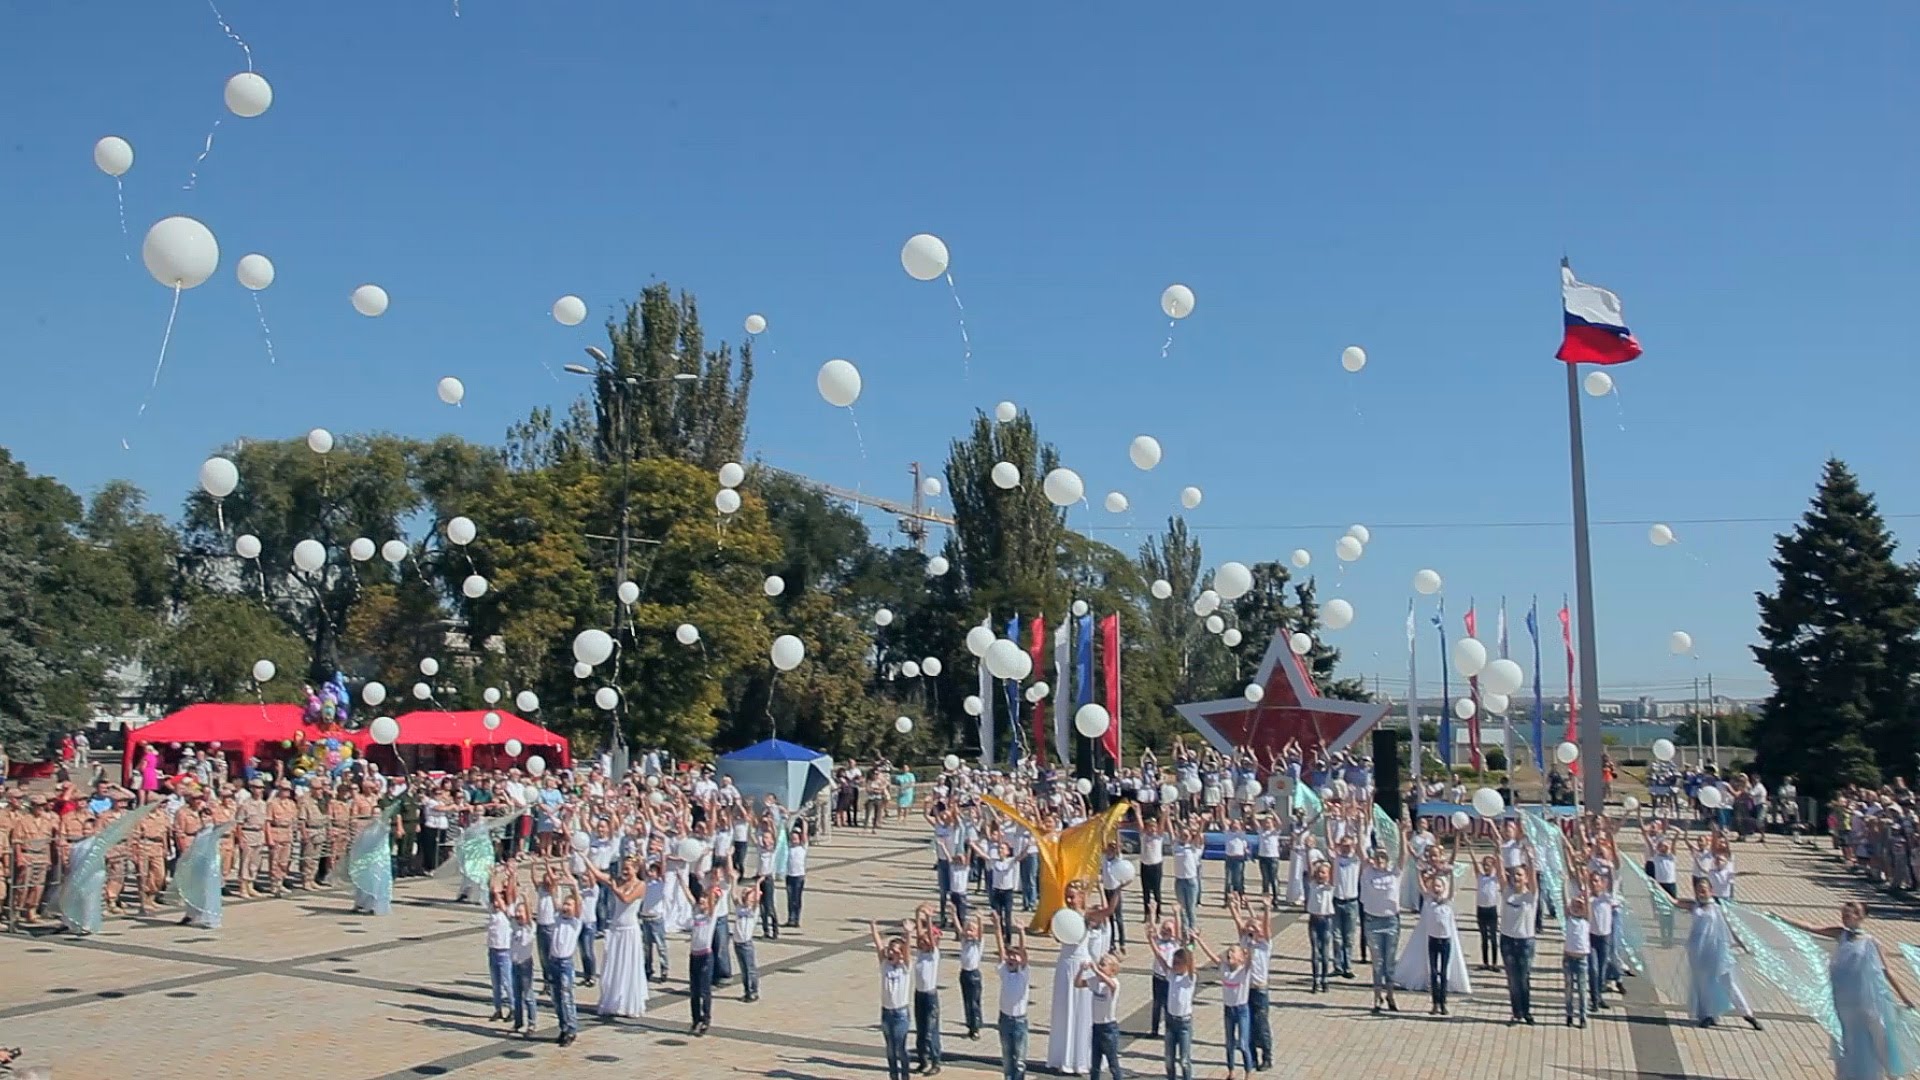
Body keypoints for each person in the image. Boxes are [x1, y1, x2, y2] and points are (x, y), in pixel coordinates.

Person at [1785, 900, 1919, 1080]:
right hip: (1844, 1001)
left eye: (1852, 912)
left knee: (1879, 1037)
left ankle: (1893, 1074)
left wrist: (1904, 997)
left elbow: (1887, 971)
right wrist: (1780, 917)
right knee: (1848, 1040)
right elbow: (1811, 927)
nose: (1847, 915)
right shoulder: (1841, 934)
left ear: (1861, 917)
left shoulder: (1871, 942)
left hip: (1869, 1001)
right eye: (1845, 913)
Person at [1676, 876, 1763, 1030]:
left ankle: (1748, 1014)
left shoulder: (1719, 908)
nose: (1701, 892)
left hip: (1718, 952)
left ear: (1711, 891)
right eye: (1698, 890)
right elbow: (1673, 902)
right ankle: (1708, 1015)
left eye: (1704, 889)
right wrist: (1653, 883)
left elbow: (1731, 927)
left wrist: (1742, 944)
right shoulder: (1694, 906)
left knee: (1728, 983)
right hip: (1698, 952)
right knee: (1703, 984)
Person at [582, 856, 649, 1019]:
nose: (624, 871)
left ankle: (628, 1003)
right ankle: (611, 1001)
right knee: (612, 964)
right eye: (623, 868)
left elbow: (626, 899)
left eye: (628, 868)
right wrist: (584, 857)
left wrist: (615, 888)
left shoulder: (641, 885)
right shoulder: (617, 880)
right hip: (616, 929)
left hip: (629, 931)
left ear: (636, 869)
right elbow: (598, 875)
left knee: (628, 965)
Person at [1191, 928, 1251, 1080]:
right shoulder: (1224, 967)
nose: (1229, 953)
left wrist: (1250, 945)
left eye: (1233, 952)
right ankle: (1231, 1071)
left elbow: (1251, 958)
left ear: (1240, 958)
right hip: (1228, 1010)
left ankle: (1248, 1073)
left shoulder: (1244, 971)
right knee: (1229, 1043)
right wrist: (1198, 939)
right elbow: (1210, 955)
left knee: (1243, 1044)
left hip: (1242, 1010)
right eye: (1229, 951)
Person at [872, 920, 915, 1080]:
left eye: (895, 952)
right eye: (890, 950)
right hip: (886, 1012)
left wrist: (908, 933)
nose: (891, 954)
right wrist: (874, 929)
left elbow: (908, 951)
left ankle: (905, 1075)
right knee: (890, 1048)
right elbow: (878, 946)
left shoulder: (905, 968)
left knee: (900, 1048)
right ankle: (893, 1076)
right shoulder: (885, 965)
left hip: (900, 1014)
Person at [991, 914, 1032, 1080]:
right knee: (1007, 1058)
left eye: (1015, 956)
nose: (1011, 958)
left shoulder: (1023, 974)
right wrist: (997, 928)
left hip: (1019, 1021)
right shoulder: (1004, 972)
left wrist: (1021, 932)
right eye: (1010, 956)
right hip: (1005, 1019)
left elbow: (1023, 954)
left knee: (1020, 1059)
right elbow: (1001, 949)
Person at [1498, 864, 1539, 1025]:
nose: (1516, 878)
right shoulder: (1507, 893)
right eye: (1514, 875)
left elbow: (1534, 878)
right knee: (1512, 979)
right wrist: (1498, 852)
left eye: (1520, 875)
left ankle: (1526, 1011)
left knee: (1523, 978)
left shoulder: (1531, 896)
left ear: (1526, 878)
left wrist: (1530, 859)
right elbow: (1501, 876)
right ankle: (1516, 1012)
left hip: (1525, 942)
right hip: (1507, 940)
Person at [547, 879, 585, 1047]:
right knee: (556, 997)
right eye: (565, 904)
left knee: (566, 996)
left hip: (565, 963)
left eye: (570, 905)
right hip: (553, 961)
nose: (566, 907)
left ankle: (571, 1029)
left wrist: (574, 886)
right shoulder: (558, 917)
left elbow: (579, 903)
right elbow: (554, 895)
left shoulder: (575, 922)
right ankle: (562, 1027)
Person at [910, 907, 945, 1074]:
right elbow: (918, 934)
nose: (923, 942)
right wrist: (918, 915)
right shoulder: (920, 953)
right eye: (921, 941)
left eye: (926, 941)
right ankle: (923, 1060)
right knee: (921, 1029)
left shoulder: (933, 954)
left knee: (931, 1029)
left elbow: (930, 938)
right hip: (919, 994)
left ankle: (935, 1061)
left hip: (930, 995)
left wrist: (929, 919)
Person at [1078, 952, 1123, 1080]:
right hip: (1097, 1026)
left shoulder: (1114, 982)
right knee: (1095, 1064)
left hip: (1109, 1028)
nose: (1100, 966)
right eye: (1100, 964)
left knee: (1113, 1063)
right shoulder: (1095, 981)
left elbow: (1112, 985)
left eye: (1103, 965)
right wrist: (1081, 970)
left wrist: (1095, 970)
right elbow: (1079, 984)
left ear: (1112, 969)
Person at [1162, 943, 1197, 1080]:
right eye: (1173, 962)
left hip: (1184, 1023)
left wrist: (1190, 947)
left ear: (1185, 964)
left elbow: (1192, 962)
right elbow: (1160, 959)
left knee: (1184, 1060)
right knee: (1169, 1059)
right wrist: (1151, 940)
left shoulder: (1189, 979)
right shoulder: (1171, 975)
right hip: (1170, 1021)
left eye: (1177, 963)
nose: (1174, 965)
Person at [1563, 894, 1592, 1027]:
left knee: (1582, 990)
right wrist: (1564, 882)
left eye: (1580, 906)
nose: (1577, 908)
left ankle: (1583, 1016)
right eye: (1574, 905)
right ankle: (1569, 1014)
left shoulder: (1586, 920)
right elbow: (1564, 899)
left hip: (1582, 960)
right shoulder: (1568, 919)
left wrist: (1585, 886)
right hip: (1568, 958)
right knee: (1569, 988)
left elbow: (1588, 905)